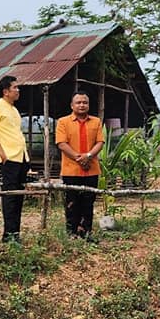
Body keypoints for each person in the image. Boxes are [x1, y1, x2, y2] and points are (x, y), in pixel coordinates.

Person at [55, 92, 105, 239]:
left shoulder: (96, 122)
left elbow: (100, 142)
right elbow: (61, 144)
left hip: (91, 170)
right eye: (78, 102)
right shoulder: (63, 122)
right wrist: (79, 158)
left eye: (85, 102)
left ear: (88, 105)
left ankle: (86, 233)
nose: (82, 105)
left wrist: (88, 156)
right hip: (71, 171)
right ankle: (71, 234)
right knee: (71, 203)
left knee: (88, 203)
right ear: (72, 105)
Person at [0, 75, 29, 243]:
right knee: (10, 196)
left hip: (21, 157)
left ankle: (15, 233)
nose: (18, 91)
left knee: (19, 196)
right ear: (5, 91)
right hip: (9, 158)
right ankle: (8, 235)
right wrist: (2, 155)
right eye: (15, 88)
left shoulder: (14, 110)